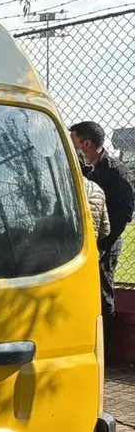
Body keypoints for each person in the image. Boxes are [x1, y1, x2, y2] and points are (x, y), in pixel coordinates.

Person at [71, 121, 135, 359]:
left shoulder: (116, 170)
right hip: (82, 242)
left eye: (74, 141)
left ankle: (102, 353)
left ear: (85, 143)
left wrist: (103, 245)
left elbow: (123, 212)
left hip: (104, 244)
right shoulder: (83, 169)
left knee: (102, 292)